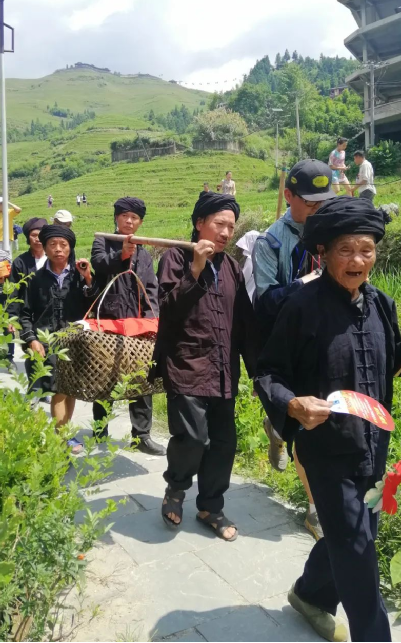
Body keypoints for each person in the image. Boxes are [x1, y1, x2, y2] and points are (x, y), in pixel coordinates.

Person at [256, 197, 401, 643]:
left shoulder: (381, 305)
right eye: (346, 250)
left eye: (366, 250)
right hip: (325, 450)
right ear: (323, 252)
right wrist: (293, 404)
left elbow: (385, 362)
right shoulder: (300, 306)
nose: (358, 260)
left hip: (373, 446)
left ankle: (309, 593)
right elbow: (268, 373)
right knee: (358, 549)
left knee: (358, 532)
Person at [155, 192, 258, 541]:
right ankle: (176, 488)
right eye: (219, 224)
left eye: (231, 227)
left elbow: (244, 323)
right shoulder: (175, 257)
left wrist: (258, 371)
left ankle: (210, 507)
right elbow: (169, 310)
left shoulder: (231, 267)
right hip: (186, 365)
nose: (226, 233)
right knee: (193, 438)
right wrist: (196, 269)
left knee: (223, 443)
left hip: (223, 369)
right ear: (200, 223)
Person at [253, 159, 336, 540]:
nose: (319, 209)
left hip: (330, 340)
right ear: (288, 196)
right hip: (291, 346)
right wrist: (305, 283)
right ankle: (317, 509)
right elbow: (266, 303)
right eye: (311, 202)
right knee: (306, 427)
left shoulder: (334, 230)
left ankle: (276, 423)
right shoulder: (270, 242)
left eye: (324, 201)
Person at [91, 197, 165, 456]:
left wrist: (151, 318)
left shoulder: (144, 253)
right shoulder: (103, 241)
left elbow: (151, 288)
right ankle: (100, 428)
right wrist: (121, 254)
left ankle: (141, 435)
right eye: (125, 216)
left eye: (135, 218)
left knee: (141, 377)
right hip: (108, 321)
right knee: (105, 374)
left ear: (140, 222)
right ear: (116, 218)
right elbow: (99, 264)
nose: (129, 221)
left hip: (137, 325)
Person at [19, 225, 97, 454]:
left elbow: (93, 305)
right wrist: (31, 339)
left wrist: (88, 278)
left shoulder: (78, 276)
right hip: (48, 342)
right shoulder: (35, 279)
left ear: (70, 248)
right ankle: (61, 439)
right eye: (52, 244)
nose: (58, 249)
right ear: (44, 248)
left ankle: (64, 434)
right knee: (58, 389)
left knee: (70, 389)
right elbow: (24, 313)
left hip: (75, 342)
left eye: (63, 245)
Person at [8, 217, 48, 388]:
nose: (37, 239)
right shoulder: (20, 262)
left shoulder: (55, 258)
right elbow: (13, 291)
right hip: (28, 314)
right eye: (33, 235)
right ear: (27, 237)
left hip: (50, 312)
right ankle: (35, 390)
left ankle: (49, 390)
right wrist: (11, 318)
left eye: (41, 235)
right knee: (32, 351)